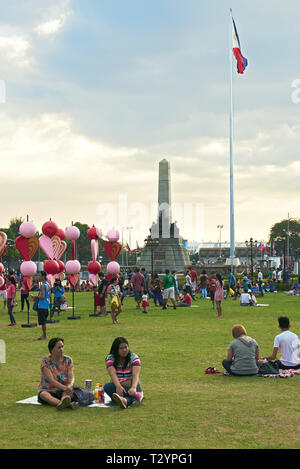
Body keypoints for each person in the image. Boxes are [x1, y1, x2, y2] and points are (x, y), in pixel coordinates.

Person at [37, 337, 79, 410]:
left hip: (63, 389)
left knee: (66, 393)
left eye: (62, 347)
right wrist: (65, 388)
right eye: (59, 347)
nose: (61, 349)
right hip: (48, 389)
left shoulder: (68, 360)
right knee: (44, 395)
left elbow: (71, 377)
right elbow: (51, 381)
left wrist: (69, 386)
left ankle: (64, 403)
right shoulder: (45, 362)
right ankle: (67, 405)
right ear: (52, 350)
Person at [104, 337, 143, 409]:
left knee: (132, 391)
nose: (124, 350)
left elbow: (135, 375)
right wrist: (118, 386)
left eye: (126, 347)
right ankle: (131, 398)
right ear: (116, 350)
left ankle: (125, 400)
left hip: (131, 384)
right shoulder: (110, 358)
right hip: (118, 384)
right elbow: (112, 374)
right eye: (121, 348)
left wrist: (133, 388)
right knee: (107, 387)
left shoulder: (134, 358)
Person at [30, 271, 50, 341]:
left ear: (43, 276)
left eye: (40, 275)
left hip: (42, 305)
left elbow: (42, 296)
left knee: (43, 322)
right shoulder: (48, 284)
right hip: (46, 305)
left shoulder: (43, 285)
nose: (39, 277)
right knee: (43, 322)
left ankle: (44, 336)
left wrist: (35, 297)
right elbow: (48, 295)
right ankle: (44, 335)